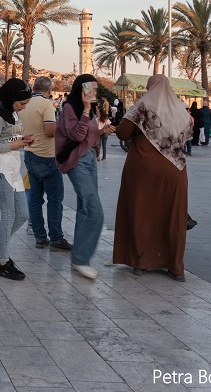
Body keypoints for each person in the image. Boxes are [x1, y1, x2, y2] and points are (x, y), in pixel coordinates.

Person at [113, 74, 192, 281]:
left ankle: (141, 262)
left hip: (144, 166)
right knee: (172, 216)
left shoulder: (142, 105)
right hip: (175, 170)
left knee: (142, 212)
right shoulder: (181, 111)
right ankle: (175, 266)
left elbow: (122, 132)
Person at [55, 75, 114, 280]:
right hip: (77, 162)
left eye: (96, 90)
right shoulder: (70, 108)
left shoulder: (88, 109)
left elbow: (89, 135)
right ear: (81, 89)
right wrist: (87, 110)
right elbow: (77, 136)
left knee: (84, 208)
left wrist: (101, 130)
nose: (94, 93)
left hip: (89, 159)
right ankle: (81, 259)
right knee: (94, 211)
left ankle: (78, 258)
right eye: (91, 89)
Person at [0, 79, 34, 281]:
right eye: (22, 103)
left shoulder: (14, 115)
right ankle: (2, 263)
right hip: (2, 171)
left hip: (14, 171)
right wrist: (15, 145)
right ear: (11, 99)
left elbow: (8, 140)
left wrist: (22, 141)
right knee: (9, 215)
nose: (24, 107)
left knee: (22, 214)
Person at [20, 77, 69, 252]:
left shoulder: (25, 103)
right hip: (47, 157)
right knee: (55, 200)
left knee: (35, 199)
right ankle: (56, 238)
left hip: (29, 155)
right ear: (49, 90)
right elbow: (49, 131)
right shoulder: (46, 104)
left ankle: (40, 238)